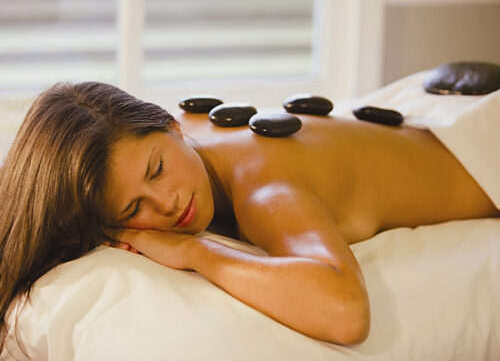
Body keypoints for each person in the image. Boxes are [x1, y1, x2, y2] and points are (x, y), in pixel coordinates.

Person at [0, 82, 497, 352]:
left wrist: (196, 251)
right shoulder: (174, 134)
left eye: (157, 169)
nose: (166, 204)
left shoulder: (265, 191)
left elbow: (346, 313)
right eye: (134, 209)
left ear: (171, 127)